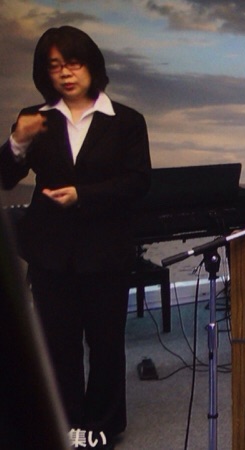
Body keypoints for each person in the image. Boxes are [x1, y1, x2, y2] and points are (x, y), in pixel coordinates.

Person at [0, 26, 151, 445]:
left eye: (73, 63)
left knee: (105, 344)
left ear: (91, 65)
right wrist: (17, 141)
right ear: (44, 73)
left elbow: (138, 182)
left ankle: (102, 427)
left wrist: (83, 195)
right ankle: (66, 424)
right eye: (54, 66)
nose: (65, 73)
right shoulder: (35, 119)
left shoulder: (126, 121)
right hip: (51, 252)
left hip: (105, 251)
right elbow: (6, 177)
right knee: (58, 344)